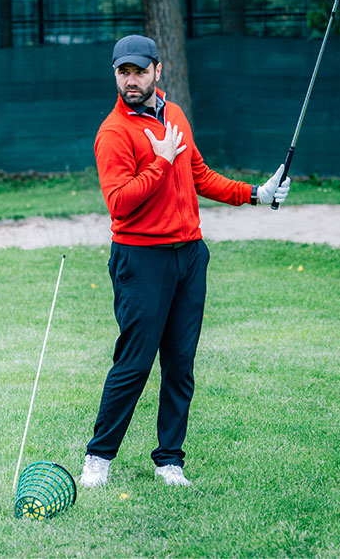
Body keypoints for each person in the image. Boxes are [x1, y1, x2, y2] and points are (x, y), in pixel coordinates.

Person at [80, 35, 291, 488]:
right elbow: (119, 203)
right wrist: (157, 163)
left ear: (158, 70)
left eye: (139, 71)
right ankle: (99, 458)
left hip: (189, 257)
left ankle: (169, 460)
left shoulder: (174, 115)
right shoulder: (113, 132)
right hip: (141, 260)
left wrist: (257, 194)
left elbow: (198, 175)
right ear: (115, 75)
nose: (131, 81)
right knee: (134, 363)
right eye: (123, 72)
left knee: (180, 364)